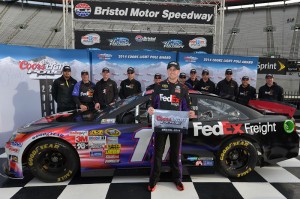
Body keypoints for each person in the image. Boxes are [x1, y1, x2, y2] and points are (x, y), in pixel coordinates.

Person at [147, 61, 195, 192]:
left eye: (175, 69)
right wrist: (150, 109)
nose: (172, 71)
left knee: (175, 153)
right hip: (161, 124)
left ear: (178, 72)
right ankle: (153, 181)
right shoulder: (158, 86)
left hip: (177, 125)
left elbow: (187, 107)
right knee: (158, 153)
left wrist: (190, 112)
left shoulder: (184, 88)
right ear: (167, 71)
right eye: (170, 69)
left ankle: (177, 179)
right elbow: (151, 104)